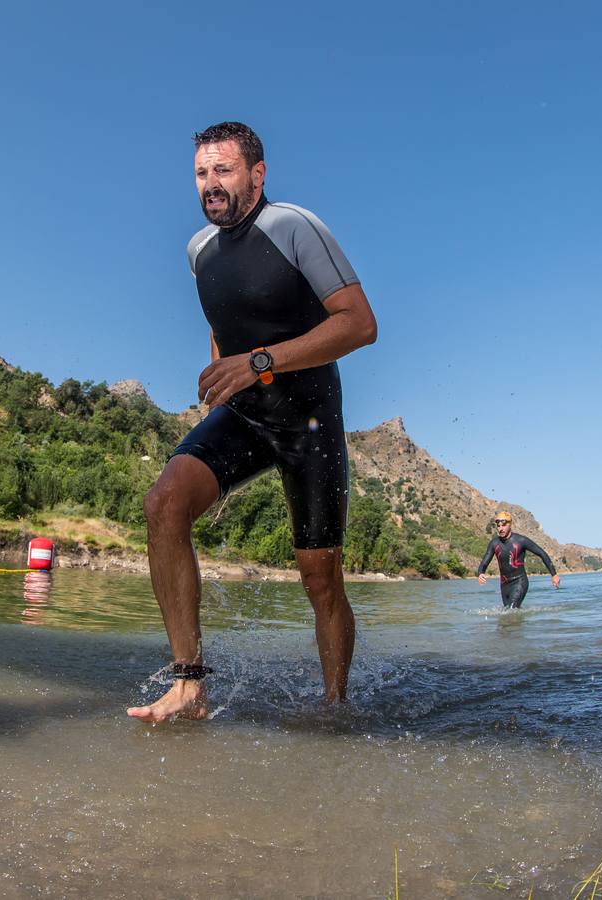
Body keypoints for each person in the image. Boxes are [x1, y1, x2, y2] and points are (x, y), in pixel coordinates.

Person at [126, 121, 378, 722]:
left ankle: (335, 707)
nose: (210, 184)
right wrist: (223, 376)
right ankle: (189, 685)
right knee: (164, 501)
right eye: (200, 173)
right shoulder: (198, 252)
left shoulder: (294, 227)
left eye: (223, 171)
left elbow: (359, 323)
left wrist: (260, 363)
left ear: (256, 175)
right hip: (245, 414)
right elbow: (226, 318)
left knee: (320, 579)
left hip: (309, 422)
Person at [476, 511, 560, 608]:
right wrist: (481, 572)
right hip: (504, 584)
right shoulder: (494, 543)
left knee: (511, 610)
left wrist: (554, 574)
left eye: (503, 525)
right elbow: (484, 562)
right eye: (498, 526)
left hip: (519, 581)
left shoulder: (521, 540)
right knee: (507, 616)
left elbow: (542, 553)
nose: (501, 529)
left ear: (510, 525)